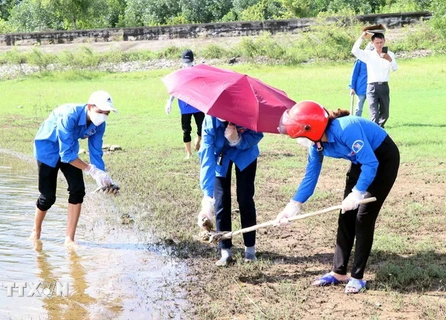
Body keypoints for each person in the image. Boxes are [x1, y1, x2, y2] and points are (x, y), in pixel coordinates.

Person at [276, 100, 400, 294]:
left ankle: (357, 277)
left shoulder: (346, 129)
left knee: (363, 217)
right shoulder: (316, 144)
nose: (300, 141)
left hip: (382, 160)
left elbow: (371, 163)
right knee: (346, 214)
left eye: (300, 136)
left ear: (312, 129)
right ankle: (338, 272)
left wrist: (357, 192)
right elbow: (311, 176)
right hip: (361, 162)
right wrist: (293, 205)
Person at [30, 90, 118, 247]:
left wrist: (102, 175)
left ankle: (69, 239)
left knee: (78, 190)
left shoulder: (99, 124)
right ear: (90, 106)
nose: (103, 116)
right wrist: (92, 170)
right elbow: (66, 155)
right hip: (47, 149)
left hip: (69, 148)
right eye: (100, 111)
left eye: (107, 113)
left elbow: (96, 152)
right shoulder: (70, 115)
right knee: (48, 196)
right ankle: (36, 231)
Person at [197, 116, 263, 266]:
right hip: (221, 157)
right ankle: (225, 251)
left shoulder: (248, 112)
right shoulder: (210, 119)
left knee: (245, 198)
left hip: (246, 154)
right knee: (221, 201)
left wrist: (238, 140)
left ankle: (250, 250)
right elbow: (206, 156)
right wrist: (207, 198)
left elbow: (257, 134)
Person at [352, 31, 398, 127]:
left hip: (384, 85)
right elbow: (355, 51)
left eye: (381, 42)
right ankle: (375, 131)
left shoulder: (390, 54)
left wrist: (389, 59)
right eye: (377, 43)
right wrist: (361, 37)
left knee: (385, 113)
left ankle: (379, 128)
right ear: (372, 43)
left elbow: (394, 68)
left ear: (384, 41)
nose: (379, 45)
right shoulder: (368, 55)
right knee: (374, 113)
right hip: (372, 86)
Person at [165, 49, 205, 159]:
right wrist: (170, 102)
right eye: (185, 62)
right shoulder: (179, 74)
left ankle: (198, 141)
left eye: (189, 62)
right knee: (186, 130)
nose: (187, 65)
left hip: (198, 105)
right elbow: (175, 88)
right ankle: (188, 153)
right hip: (185, 106)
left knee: (202, 127)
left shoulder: (198, 72)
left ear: (193, 60)